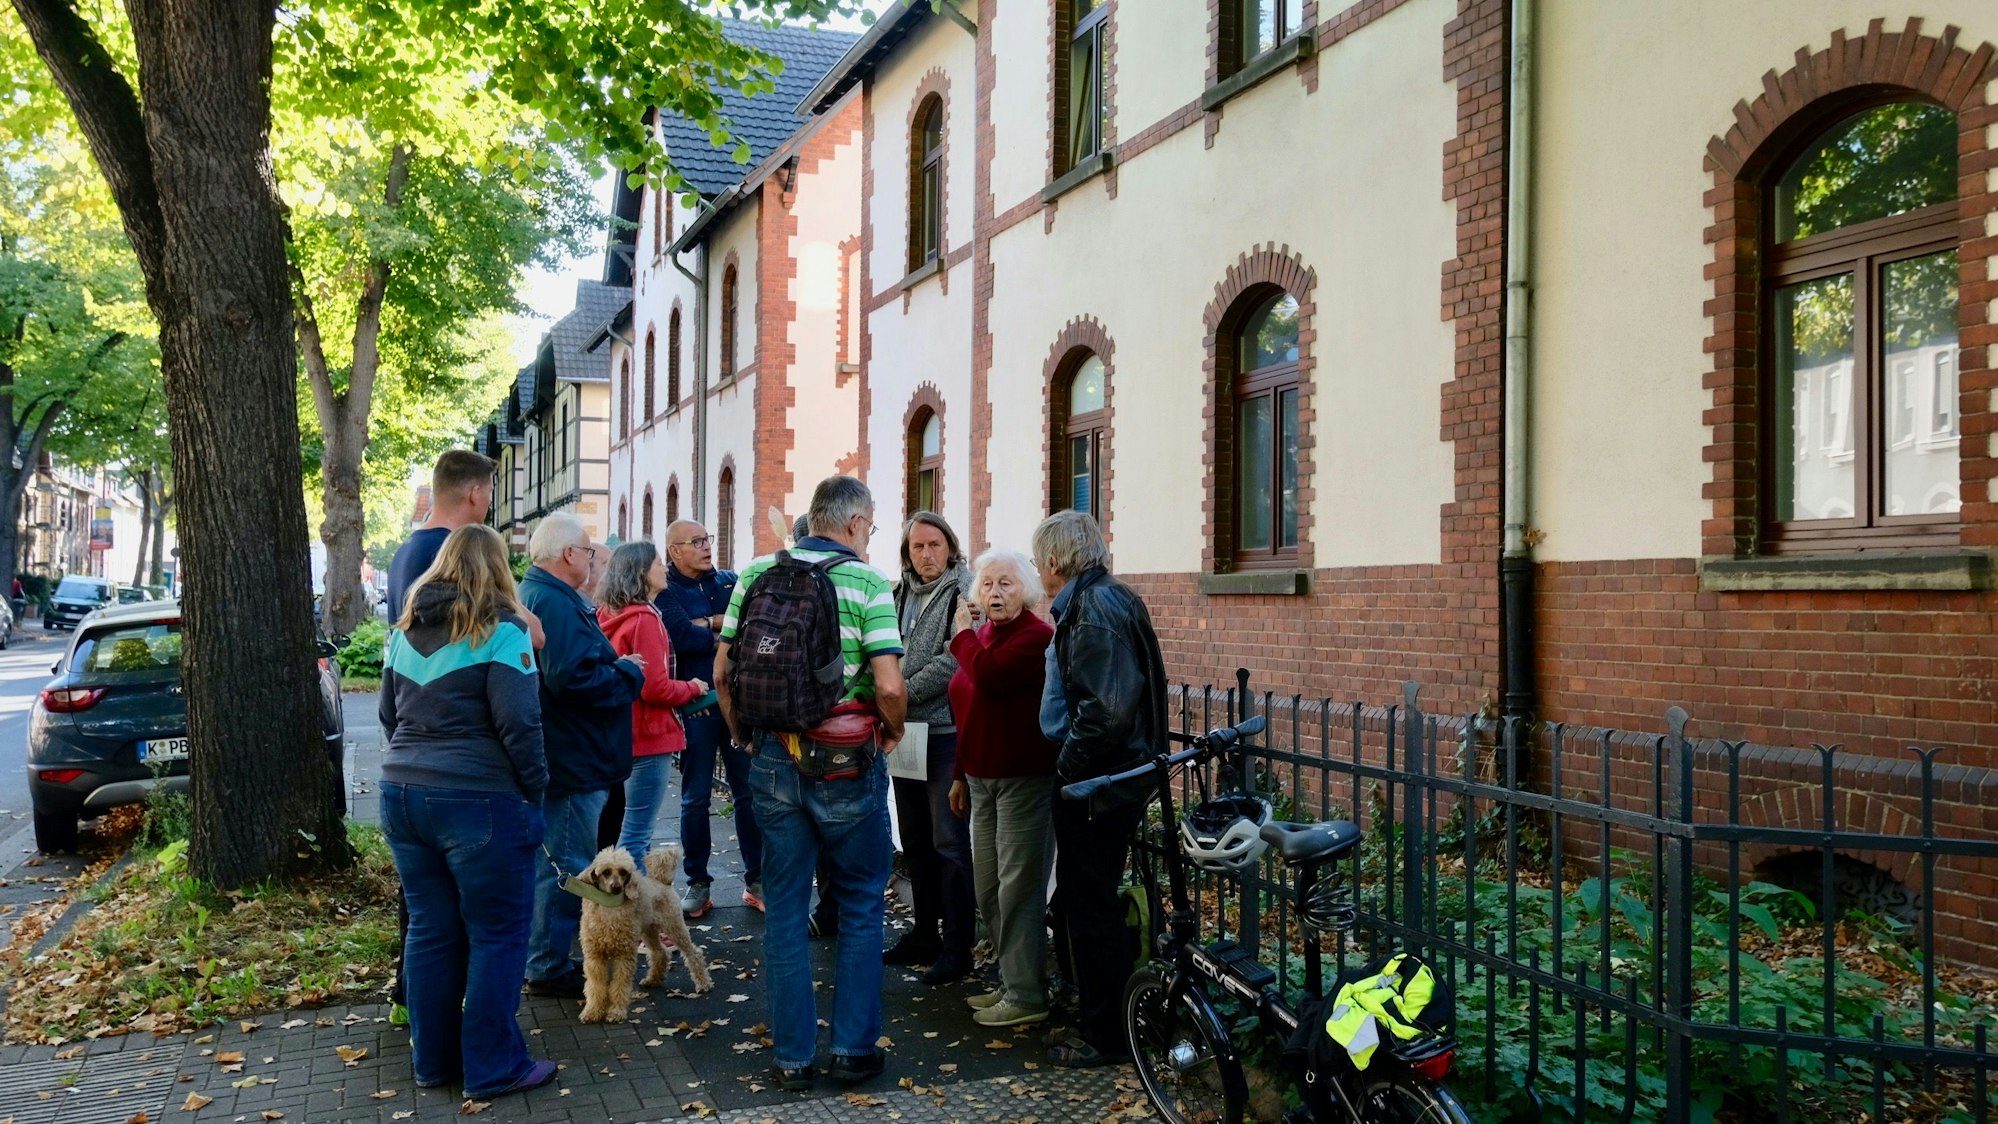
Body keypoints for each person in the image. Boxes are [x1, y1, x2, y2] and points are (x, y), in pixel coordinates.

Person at [715, 475, 906, 1092]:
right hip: (848, 761)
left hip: (774, 756)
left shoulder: (755, 575)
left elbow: (723, 671)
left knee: (787, 909)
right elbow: (890, 686)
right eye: (871, 527)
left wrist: (744, 736)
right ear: (853, 524)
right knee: (857, 905)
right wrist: (892, 731)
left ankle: (792, 1059)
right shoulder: (870, 583)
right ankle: (853, 1051)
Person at [377, 524, 556, 1099]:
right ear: (498, 570)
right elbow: (521, 725)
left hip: (402, 794)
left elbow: (388, 717)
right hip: (480, 799)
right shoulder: (504, 631)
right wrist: (536, 790)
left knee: (430, 930)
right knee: (498, 935)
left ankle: (433, 1062)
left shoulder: (402, 633)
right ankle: (493, 1066)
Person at [1034, 510, 1167, 1068]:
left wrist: (1068, 771)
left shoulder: (1091, 610)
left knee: (1092, 910)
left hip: (1101, 786)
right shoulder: (1107, 598)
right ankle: (1108, 1020)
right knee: (1088, 904)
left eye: (1041, 559)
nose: (1039, 569)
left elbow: (1107, 713)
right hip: (1114, 779)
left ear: (1056, 561)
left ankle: (1108, 1036)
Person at [517, 514, 646, 999]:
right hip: (574, 757)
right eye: (589, 552)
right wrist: (628, 673)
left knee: (561, 861)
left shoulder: (545, 595)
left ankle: (547, 958)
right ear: (569, 554)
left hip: (574, 752)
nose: (594, 561)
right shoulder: (552, 599)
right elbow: (571, 679)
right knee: (568, 865)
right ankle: (548, 965)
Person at [946, 548, 1058, 1028]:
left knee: (1018, 889)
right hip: (980, 778)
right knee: (988, 887)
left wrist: (961, 637)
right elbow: (966, 709)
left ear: (1027, 591)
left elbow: (988, 679)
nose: (995, 592)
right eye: (987, 584)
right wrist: (958, 772)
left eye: (1006, 584)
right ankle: (1012, 981)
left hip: (1022, 779)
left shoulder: (1036, 638)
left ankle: (1027, 994)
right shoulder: (984, 635)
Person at [884, 513, 975, 984]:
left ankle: (960, 946)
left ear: (950, 546)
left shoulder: (965, 591)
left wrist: (903, 692)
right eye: (917, 547)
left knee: (949, 841)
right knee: (916, 838)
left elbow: (954, 655)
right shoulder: (899, 592)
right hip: (904, 734)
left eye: (934, 545)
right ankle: (925, 933)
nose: (926, 555)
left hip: (942, 734)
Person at [654, 519, 759, 916]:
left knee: (747, 794)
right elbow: (680, 635)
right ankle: (698, 883)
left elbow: (748, 628)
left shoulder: (729, 582)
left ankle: (756, 878)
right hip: (696, 710)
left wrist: (710, 623)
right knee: (695, 798)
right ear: (674, 550)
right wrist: (723, 624)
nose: (705, 546)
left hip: (737, 706)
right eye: (695, 541)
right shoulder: (666, 590)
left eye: (707, 538)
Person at [596, 541, 709, 857]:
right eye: (659, 562)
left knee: (616, 831)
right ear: (642, 573)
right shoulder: (645, 618)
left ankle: (611, 905)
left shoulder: (607, 614)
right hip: (649, 737)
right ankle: (634, 907)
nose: (665, 568)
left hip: (618, 734)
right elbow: (654, 688)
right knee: (636, 837)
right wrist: (693, 688)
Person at [386, 451, 494, 622]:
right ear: (475, 494)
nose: (490, 501)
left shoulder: (403, 551)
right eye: (490, 492)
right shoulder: (457, 555)